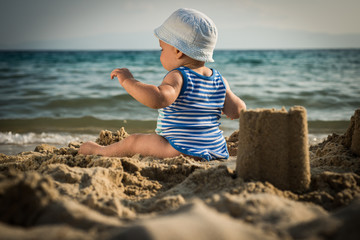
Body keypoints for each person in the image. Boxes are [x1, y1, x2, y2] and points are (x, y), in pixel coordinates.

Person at [78, 8, 246, 161]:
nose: (161, 54)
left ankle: (101, 151)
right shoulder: (218, 79)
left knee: (134, 141)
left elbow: (158, 98)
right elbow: (237, 110)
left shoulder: (178, 76)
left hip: (179, 148)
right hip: (215, 148)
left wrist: (129, 81)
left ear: (178, 51)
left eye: (162, 49)